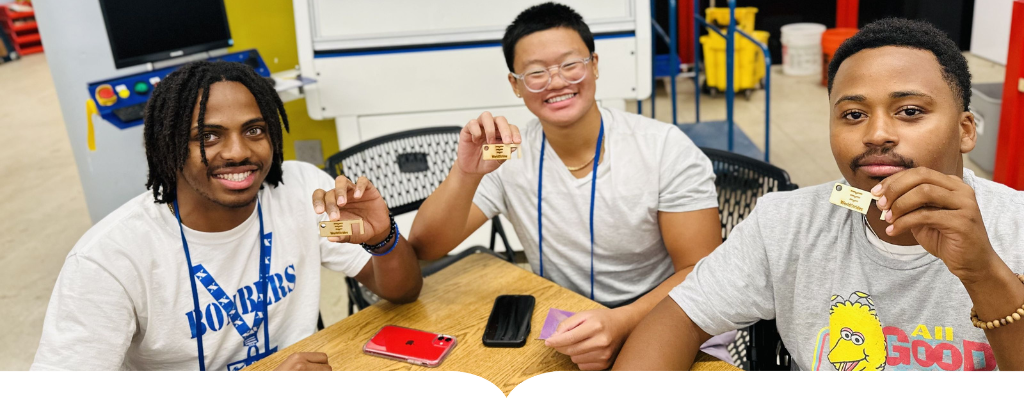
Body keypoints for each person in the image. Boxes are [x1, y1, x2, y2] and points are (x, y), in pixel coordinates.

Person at [614, 18, 1024, 371]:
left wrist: (982, 272)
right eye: (853, 115)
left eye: (910, 111)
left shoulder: (1016, 225)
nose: (876, 134)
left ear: (965, 129)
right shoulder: (785, 222)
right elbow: (681, 317)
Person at [31, 61, 423, 371]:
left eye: (254, 130)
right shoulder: (109, 259)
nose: (237, 152)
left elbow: (403, 291)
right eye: (208, 136)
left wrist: (382, 239)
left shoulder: (302, 191)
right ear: (169, 147)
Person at [408, 2, 732, 371]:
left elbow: (700, 270)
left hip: (669, 315)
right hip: (567, 327)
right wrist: (466, 173)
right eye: (536, 72)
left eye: (570, 64)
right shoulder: (507, 154)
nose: (557, 81)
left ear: (594, 65)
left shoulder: (663, 148)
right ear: (515, 85)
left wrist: (622, 320)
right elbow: (426, 247)